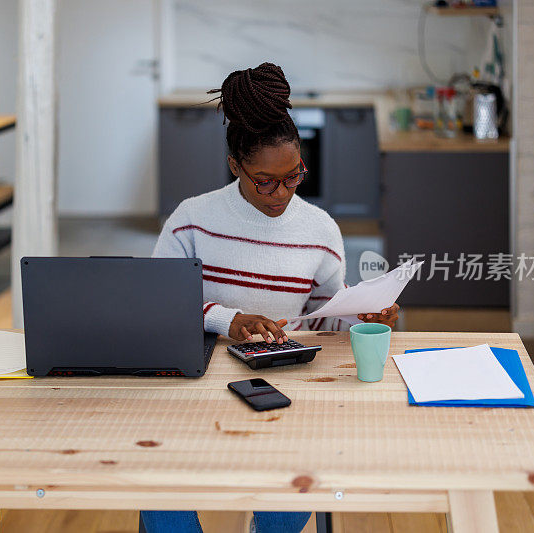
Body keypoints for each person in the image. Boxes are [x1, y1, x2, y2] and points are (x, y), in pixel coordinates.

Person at [143, 62, 399, 533]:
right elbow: (156, 306)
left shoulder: (320, 231)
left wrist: (361, 313)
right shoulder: (191, 220)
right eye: (265, 180)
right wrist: (226, 319)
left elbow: (323, 319)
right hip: (195, 380)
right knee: (157, 481)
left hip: (285, 384)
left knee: (291, 488)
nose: (281, 192)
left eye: (294, 176)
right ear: (235, 164)